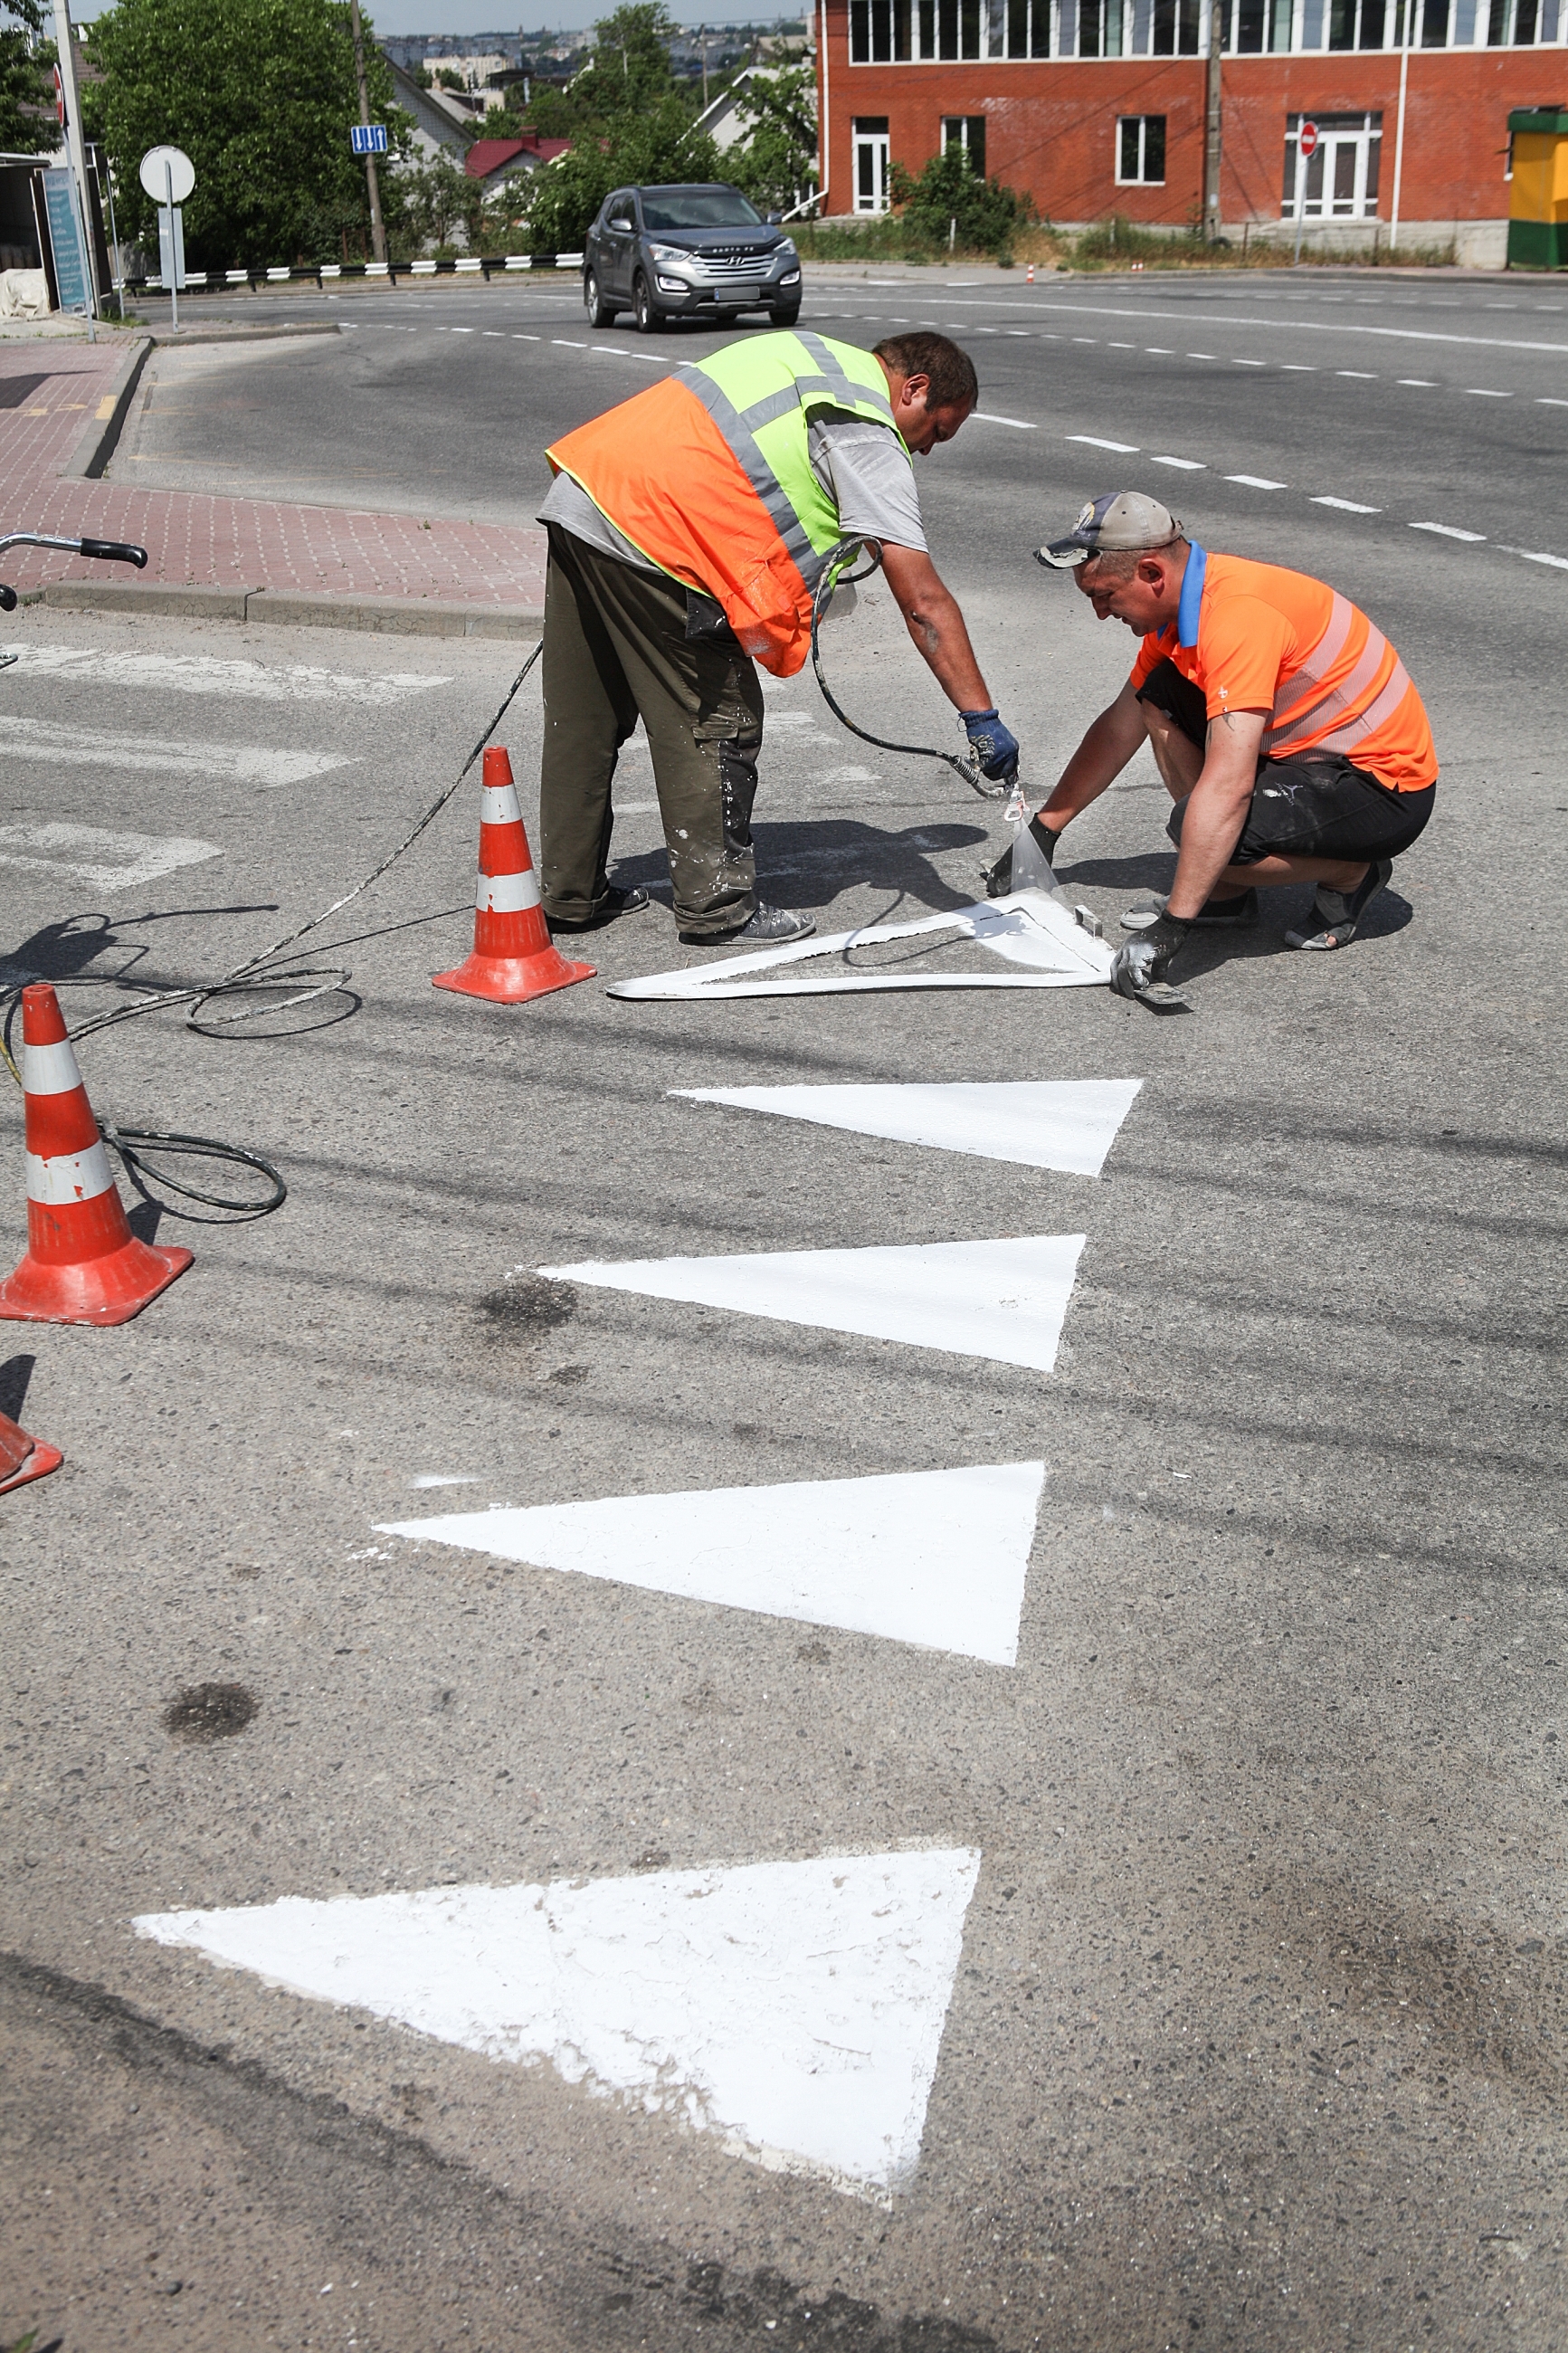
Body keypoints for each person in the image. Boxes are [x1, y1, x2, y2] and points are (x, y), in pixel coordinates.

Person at [535, 329, 1019, 945]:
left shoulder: (807, 354)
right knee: (717, 720)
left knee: (584, 720)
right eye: (937, 431)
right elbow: (922, 602)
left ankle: (569, 896)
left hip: (585, 498)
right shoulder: (865, 427)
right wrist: (979, 715)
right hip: (660, 542)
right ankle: (716, 906)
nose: (925, 450)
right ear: (914, 389)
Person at [993, 491, 1438, 998]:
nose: (1100, 613)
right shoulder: (1183, 608)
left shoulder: (1237, 617)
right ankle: (1227, 893)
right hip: (1308, 759)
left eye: (1106, 595)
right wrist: (1044, 832)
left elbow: (1228, 787)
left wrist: (1172, 927)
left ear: (1152, 573)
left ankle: (1351, 872)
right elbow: (1120, 724)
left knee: (1205, 832)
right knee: (1156, 697)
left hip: (1382, 787)